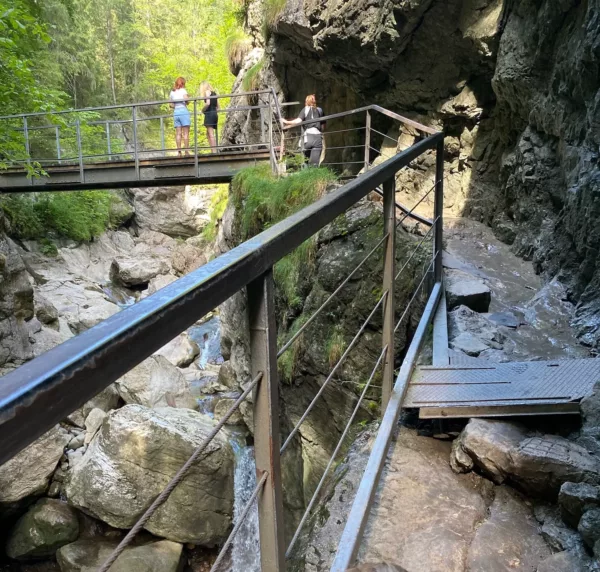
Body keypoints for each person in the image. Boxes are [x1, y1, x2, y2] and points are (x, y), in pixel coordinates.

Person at [282, 94, 326, 166]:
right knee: (314, 163)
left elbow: (298, 120)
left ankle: (304, 172)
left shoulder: (305, 109)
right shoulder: (320, 110)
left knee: (305, 160)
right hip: (318, 137)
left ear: (306, 101)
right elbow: (323, 126)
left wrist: (286, 122)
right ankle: (313, 175)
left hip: (308, 137)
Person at [169, 77, 191, 156]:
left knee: (178, 133)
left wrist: (176, 105)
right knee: (186, 133)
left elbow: (170, 104)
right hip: (183, 111)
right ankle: (186, 151)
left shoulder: (172, 92)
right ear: (183, 83)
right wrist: (188, 99)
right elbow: (187, 101)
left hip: (176, 113)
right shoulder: (183, 90)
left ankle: (179, 152)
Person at [199, 81, 219, 153]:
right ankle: (212, 149)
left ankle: (214, 151)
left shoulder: (207, 92)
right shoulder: (214, 93)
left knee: (210, 133)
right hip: (214, 114)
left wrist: (202, 110)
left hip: (209, 114)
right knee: (208, 133)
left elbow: (208, 103)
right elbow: (218, 107)